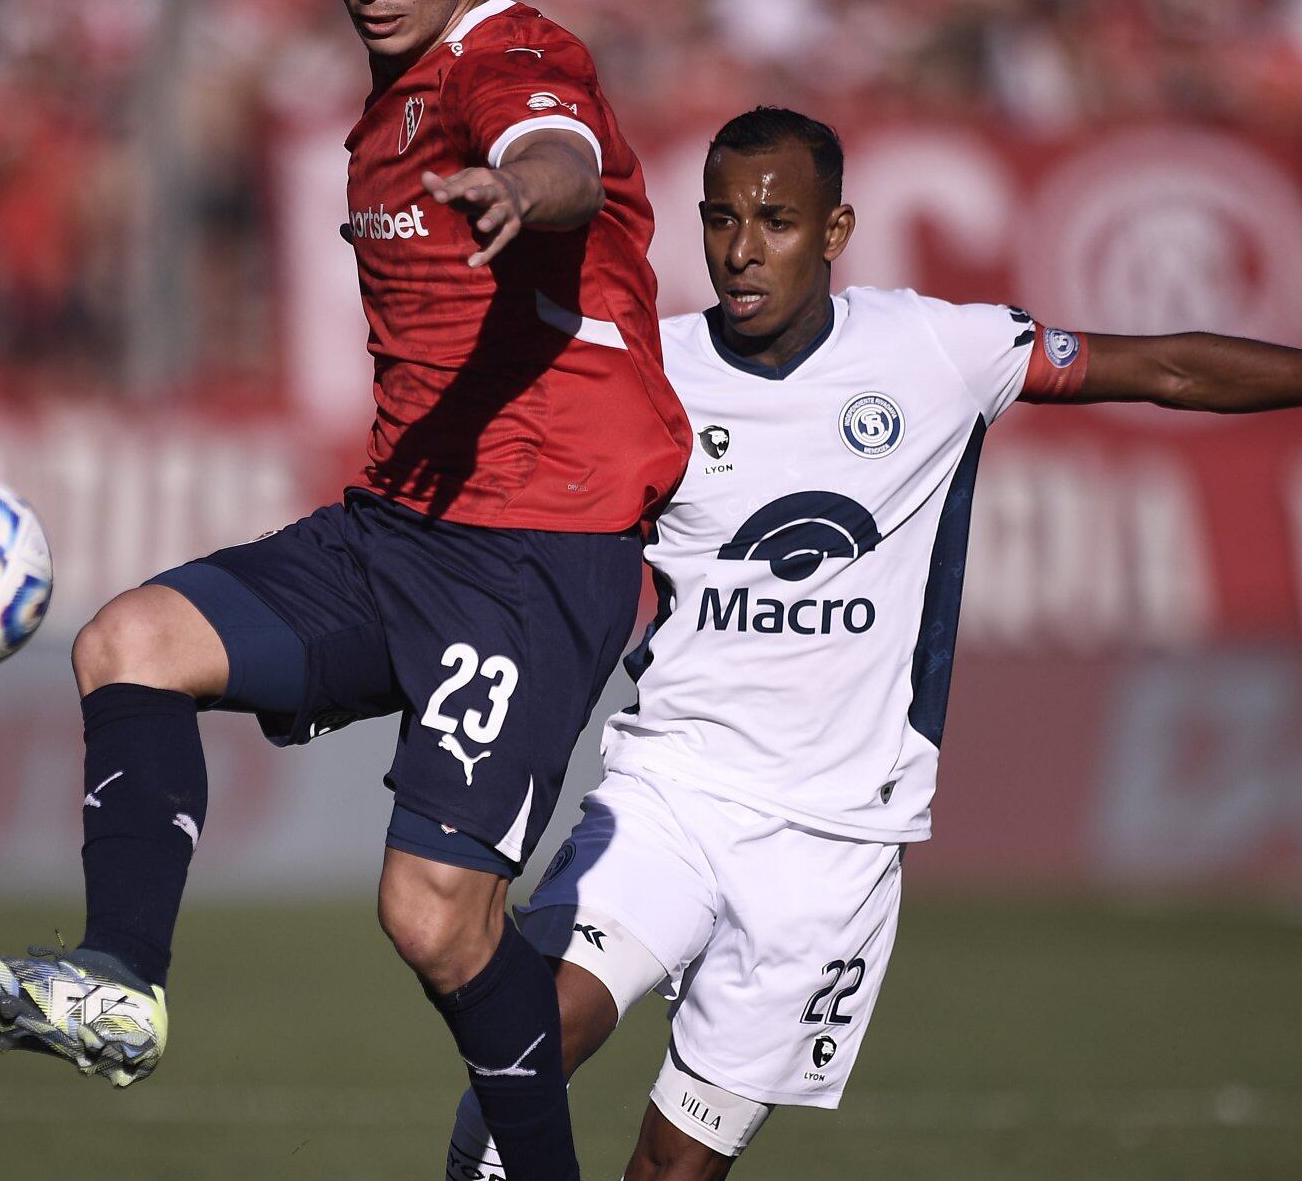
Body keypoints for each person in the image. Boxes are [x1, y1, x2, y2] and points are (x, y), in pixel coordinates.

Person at [0, 0, 688, 1178]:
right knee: (128, 642)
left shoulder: (510, 58)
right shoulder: (377, 124)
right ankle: (120, 979)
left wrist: (519, 186)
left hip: (537, 546)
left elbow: (554, 148)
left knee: (436, 918)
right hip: (399, 526)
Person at [441, 106, 1302, 1181]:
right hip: (673, 788)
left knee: (672, 1167)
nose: (740, 250)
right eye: (718, 220)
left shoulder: (937, 350)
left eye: (775, 221)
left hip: (835, 840)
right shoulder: (647, 374)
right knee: (532, 1037)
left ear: (835, 229)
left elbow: (1161, 370)